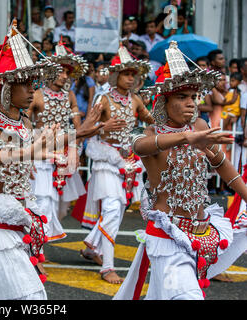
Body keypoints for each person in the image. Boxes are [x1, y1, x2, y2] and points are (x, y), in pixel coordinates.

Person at [0, 20, 105, 300]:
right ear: (6, 90)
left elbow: (38, 143)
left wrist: (79, 133)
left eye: (33, 86)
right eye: (26, 86)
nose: (32, 93)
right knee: (30, 298)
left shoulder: (21, 123)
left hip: (18, 225)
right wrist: (24, 153)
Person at [114, 41, 242, 300]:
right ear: (164, 101)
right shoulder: (150, 132)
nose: (191, 103)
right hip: (167, 235)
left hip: (202, 233)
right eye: (182, 97)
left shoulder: (199, 125)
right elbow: (140, 146)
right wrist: (186, 138)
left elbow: (222, 165)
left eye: (194, 97)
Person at [79, 44, 153, 284]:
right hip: (105, 160)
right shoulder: (103, 99)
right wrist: (102, 126)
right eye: (126, 73)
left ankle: (92, 248)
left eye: (134, 74)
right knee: (112, 210)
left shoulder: (136, 100)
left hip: (128, 163)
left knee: (117, 212)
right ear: (115, 75)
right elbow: (84, 130)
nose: (131, 78)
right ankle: (107, 267)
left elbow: (152, 120)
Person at [27, 41, 88, 249]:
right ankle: (36, 250)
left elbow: (77, 125)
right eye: (61, 72)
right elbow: (25, 125)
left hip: (64, 154)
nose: (64, 76)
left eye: (67, 73)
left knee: (61, 208)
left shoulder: (69, 95)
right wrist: (28, 154)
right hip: (42, 154)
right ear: (50, 72)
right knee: (44, 202)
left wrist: (76, 150)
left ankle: (37, 244)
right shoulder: (37, 95)